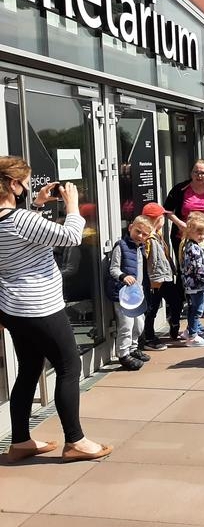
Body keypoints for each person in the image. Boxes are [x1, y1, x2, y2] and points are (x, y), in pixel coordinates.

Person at [0, 156, 112, 462]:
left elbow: (26, 237)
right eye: (26, 182)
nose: (27, 187)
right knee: (69, 367)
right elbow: (71, 237)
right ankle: (75, 440)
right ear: (13, 184)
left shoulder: (11, 219)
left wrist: (36, 205)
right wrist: (72, 204)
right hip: (40, 307)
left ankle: (20, 441)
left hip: (13, 308)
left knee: (28, 370)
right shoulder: (20, 220)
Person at [106, 216, 154, 370]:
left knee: (138, 325)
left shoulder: (141, 248)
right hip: (123, 295)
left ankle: (133, 348)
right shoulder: (121, 246)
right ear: (130, 227)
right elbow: (113, 268)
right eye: (137, 231)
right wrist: (123, 276)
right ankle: (123, 354)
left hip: (136, 295)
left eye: (144, 234)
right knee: (126, 325)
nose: (140, 236)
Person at [141, 202, 183, 344]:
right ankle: (149, 336)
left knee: (176, 302)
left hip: (164, 276)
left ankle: (174, 322)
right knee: (152, 308)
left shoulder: (156, 235)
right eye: (163, 216)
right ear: (158, 219)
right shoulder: (148, 238)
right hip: (156, 280)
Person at [179, 213, 204, 347]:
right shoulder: (194, 248)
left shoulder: (189, 245)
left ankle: (190, 331)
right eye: (199, 233)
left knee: (192, 308)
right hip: (196, 285)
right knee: (197, 309)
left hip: (190, 284)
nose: (202, 236)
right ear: (190, 232)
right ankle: (193, 336)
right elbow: (198, 269)